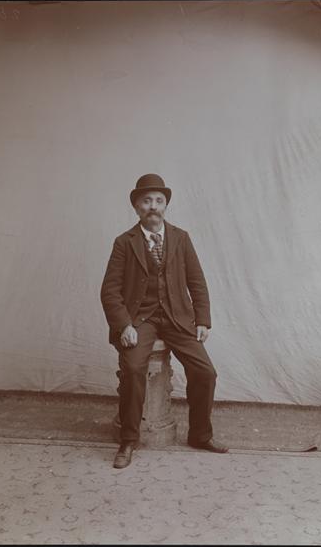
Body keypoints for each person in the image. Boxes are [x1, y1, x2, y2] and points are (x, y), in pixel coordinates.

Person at [100, 174, 228, 468]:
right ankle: (128, 440)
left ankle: (200, 435)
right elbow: (110, 290)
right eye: (146, 201)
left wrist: (202, 320)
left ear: (166, 206)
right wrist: (124, 325)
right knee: (133, 368)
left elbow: (197, 282)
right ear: (136, 208)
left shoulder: (181, 238)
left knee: (205, 372)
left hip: (176, 318)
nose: (153, 206)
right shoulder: (124, 242)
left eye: (159, 201)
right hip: (140, 319)